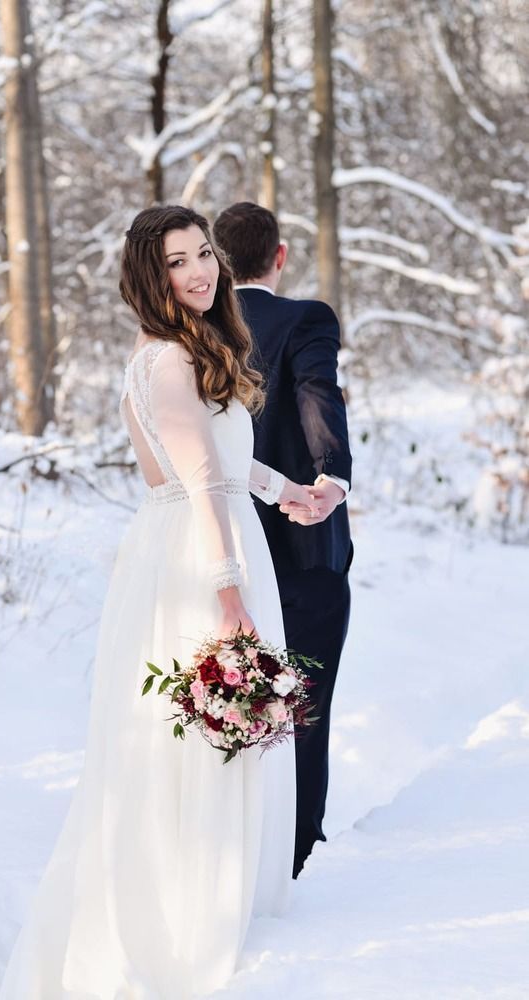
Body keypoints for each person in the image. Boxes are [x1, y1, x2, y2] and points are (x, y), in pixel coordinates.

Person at [0, 205, 321, 1000]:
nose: (199, 271)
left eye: (203, 254)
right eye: (178, 261)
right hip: (194, 559)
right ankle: (185, 921)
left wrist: (288, 495)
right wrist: (227, 593)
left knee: (218, 734)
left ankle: (221, 901)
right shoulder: (168, 362)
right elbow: (199, 480)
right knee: (199, 736)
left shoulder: (185, 349)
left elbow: (223, 462)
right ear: (152, 274)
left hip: (208, 537)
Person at [213, 201, 353, 879]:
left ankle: (228, 852)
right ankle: (294, 859)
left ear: (213, 260)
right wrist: (329, 479)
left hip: (217, 556)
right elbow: (316, 392)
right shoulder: (306, 320)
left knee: (223, 706)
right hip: (301, 551)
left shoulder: (186, 331)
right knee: (304, 709)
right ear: (280, 255)